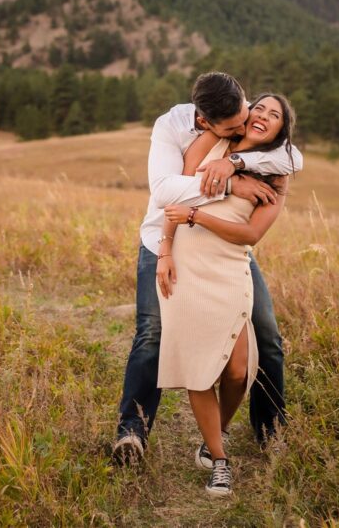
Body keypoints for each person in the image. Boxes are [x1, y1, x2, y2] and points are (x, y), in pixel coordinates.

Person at [113, 72, 302, 466]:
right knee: (151, 334)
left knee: (266, 335)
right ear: (205, 121)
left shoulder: (241, 115)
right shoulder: (172, 128)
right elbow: (165, 192)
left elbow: (292, 156)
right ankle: (132, 431)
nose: (247, 123)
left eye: (248, 113)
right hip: (165, 241)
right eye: (232, 128)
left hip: (225, 250)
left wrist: (236, 162)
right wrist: (231, 186)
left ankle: (270, 430)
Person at [157, 93, 295, 497]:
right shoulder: (211, 143)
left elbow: (251, 234)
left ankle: (215, 431)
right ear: (247, 111)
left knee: (237, 369)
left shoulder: (278, 174)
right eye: (261, 108)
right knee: (200, 366)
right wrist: (165, 249)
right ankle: (220, 461)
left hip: (230, 265)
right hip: (187, 260)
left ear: (281, 130)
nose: (264, 117)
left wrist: (199, 215)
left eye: (275, 115)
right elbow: (175, 196)